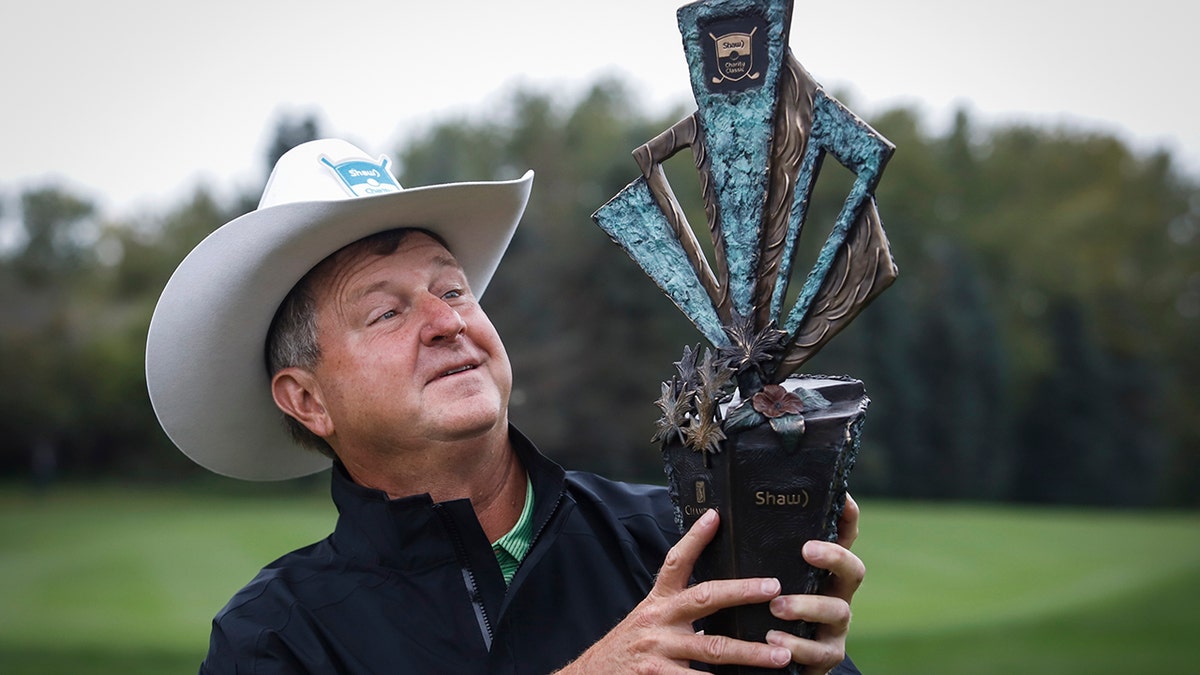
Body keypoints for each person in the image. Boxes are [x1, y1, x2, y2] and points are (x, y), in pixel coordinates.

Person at [146, 138, 865, 674]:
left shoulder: (681, 541)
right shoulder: (275, 639)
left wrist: (807, 667)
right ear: (306, 399)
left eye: (453, 289)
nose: (447, 320)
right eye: (387, 312)